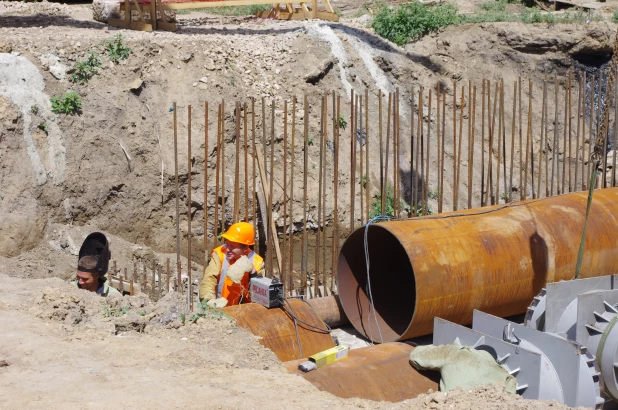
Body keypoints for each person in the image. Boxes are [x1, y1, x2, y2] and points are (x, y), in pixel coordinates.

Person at [199, 222, 264, 308]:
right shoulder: (219, 254)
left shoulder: (257, 262)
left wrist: (253, 274)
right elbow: (209, 278)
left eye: (232, 246)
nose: (227, 249)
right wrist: (209, 300)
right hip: (220, 309)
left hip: (245, 311)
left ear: (245, 248)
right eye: (227, 244)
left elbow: (261, 294)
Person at [72, 232, 120, 297]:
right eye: (78, 277)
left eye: (85, 279)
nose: (80, 282)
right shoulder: (69, 289)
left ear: (96, 276)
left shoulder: (113, 296)